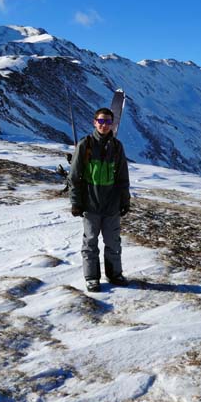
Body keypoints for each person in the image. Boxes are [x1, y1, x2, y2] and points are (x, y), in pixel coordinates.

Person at [68, 107, 131, 292]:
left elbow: (122, 178)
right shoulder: (85, 145)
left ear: (113, 124)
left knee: (113, 242)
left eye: (108, 122)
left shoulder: (117, 147)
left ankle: (114, 274)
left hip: (111, 206)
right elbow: (74, 177)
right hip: (91, 204)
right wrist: (75, 202)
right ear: (94, 122)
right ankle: (92, 278)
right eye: (101, 121)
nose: (104, 125)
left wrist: (124, 201)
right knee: (90, 242)